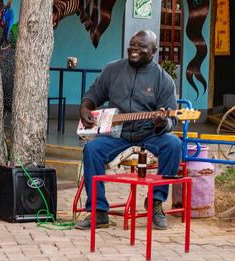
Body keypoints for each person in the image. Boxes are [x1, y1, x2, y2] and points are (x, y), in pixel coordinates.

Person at [75, 30, 182, 231]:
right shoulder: (112, 70)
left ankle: (155, 203)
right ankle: (98, 212)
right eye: (132, 44)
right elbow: (92, 95)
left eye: (141, 46)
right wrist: (85, 109)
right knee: (92, 150)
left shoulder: (163, 79)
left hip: (150, 136)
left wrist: (161, 123)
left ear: (153, 51)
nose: (134, 49)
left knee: (174, 144)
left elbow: (171, 121)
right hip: (119, 136)